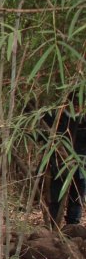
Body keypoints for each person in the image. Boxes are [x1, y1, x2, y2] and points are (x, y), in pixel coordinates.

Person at [45, 93, 86, 226]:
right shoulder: (55, 118)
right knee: (56, 196)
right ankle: (54, 224)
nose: (77, 107)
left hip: (80, 164)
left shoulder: (83, 119)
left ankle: (72, 226)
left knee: (77, 195)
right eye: (74, 103)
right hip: (59, 162)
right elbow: (41, 136)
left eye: (79, 104)